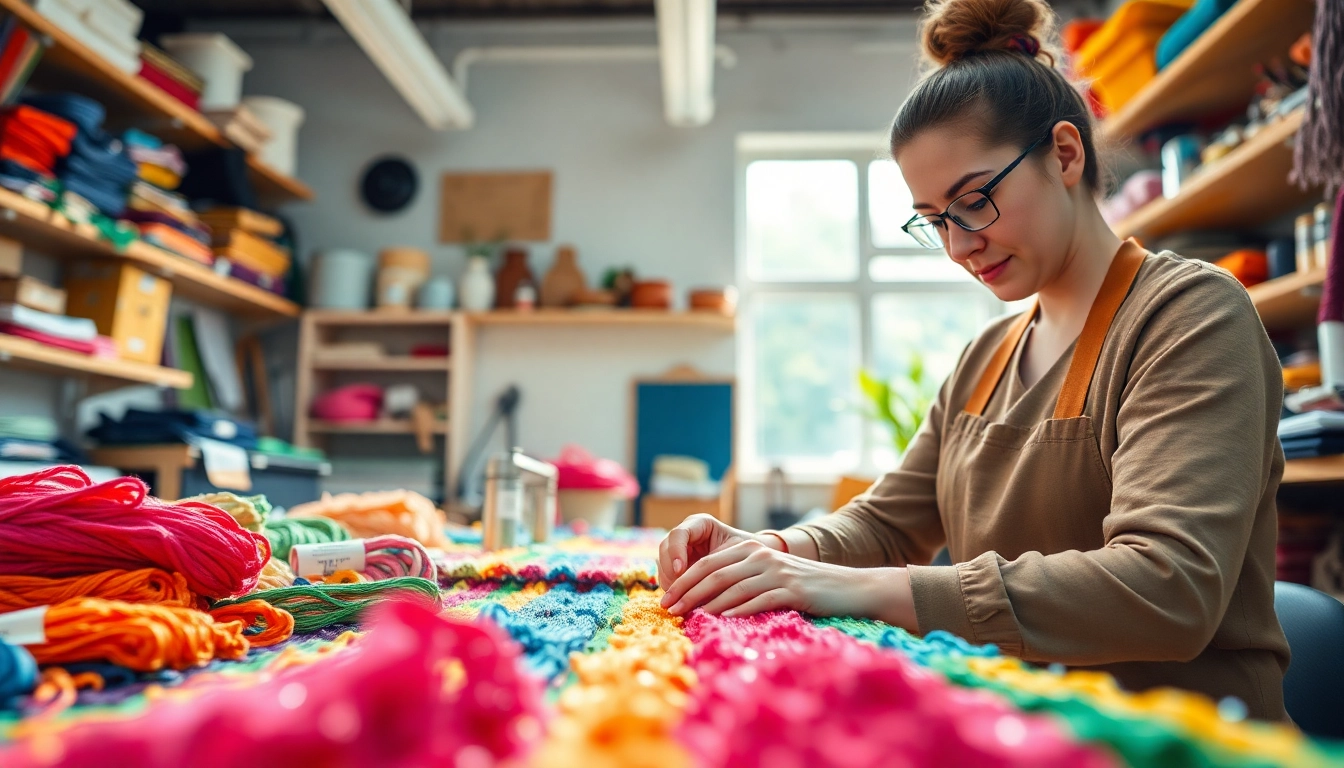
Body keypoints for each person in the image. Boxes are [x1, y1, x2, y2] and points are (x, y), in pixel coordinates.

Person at [657, 0, 1290, 721]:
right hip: (1024, 733)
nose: (959, 247)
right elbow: (886, 524)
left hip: (1187, 741)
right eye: (935, 221)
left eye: (975, 200)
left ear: (1065, 154)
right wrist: (768, 549)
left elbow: (1167, 588)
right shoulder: (986, 358)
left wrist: (860, 588)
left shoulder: (1189, 316)